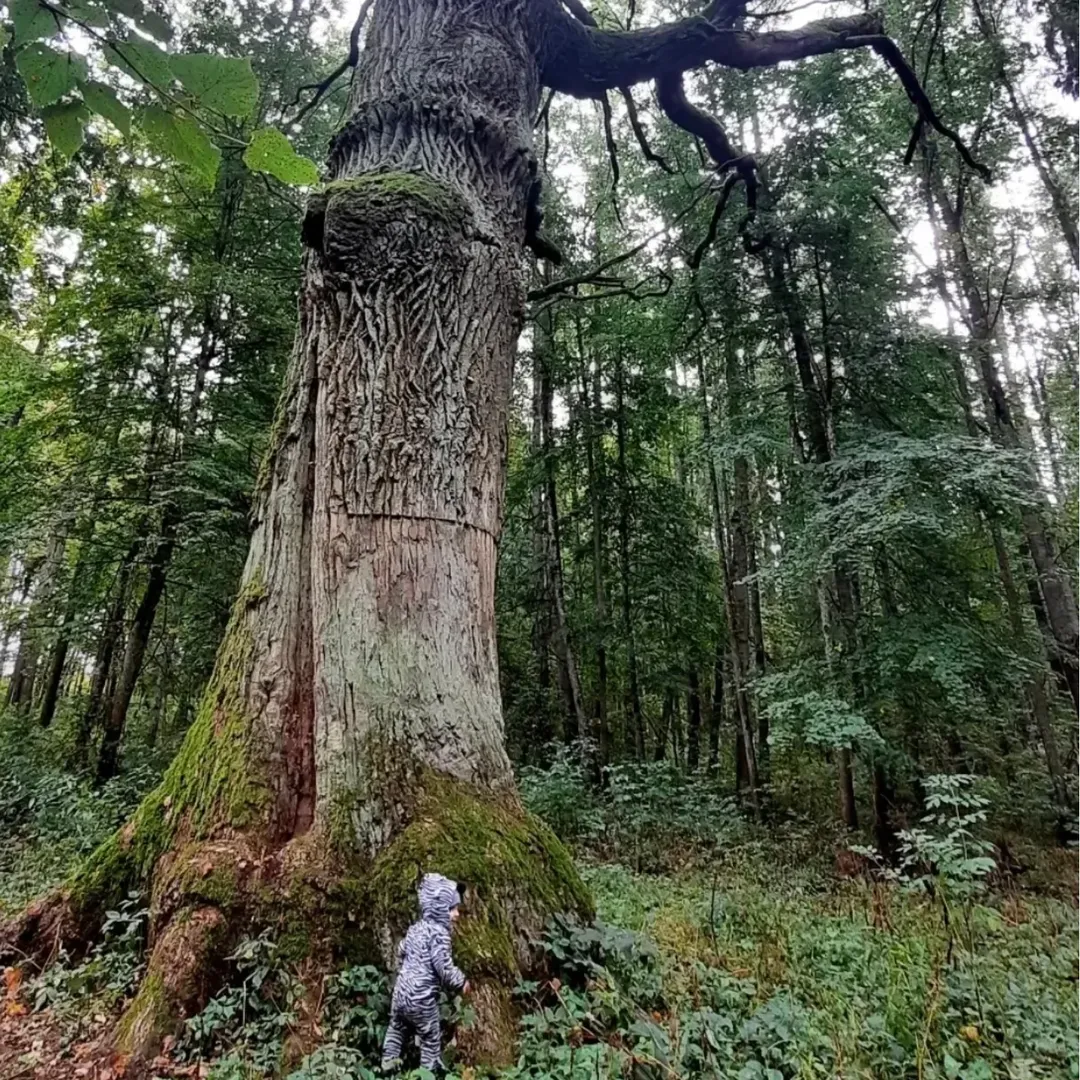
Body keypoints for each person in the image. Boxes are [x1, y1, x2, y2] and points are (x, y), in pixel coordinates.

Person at [381, 872, 471, 1075]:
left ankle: (387, 1066)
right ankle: (427, 1073)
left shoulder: (415, 929)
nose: (456, 914)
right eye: (451, 909)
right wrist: (461, 981)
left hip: (401, 992)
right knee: (430, 1036)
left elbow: (401, 949)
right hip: (421, 997)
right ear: (438, 909)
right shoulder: (440, 935)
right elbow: (443, 968)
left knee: (396, 1028)